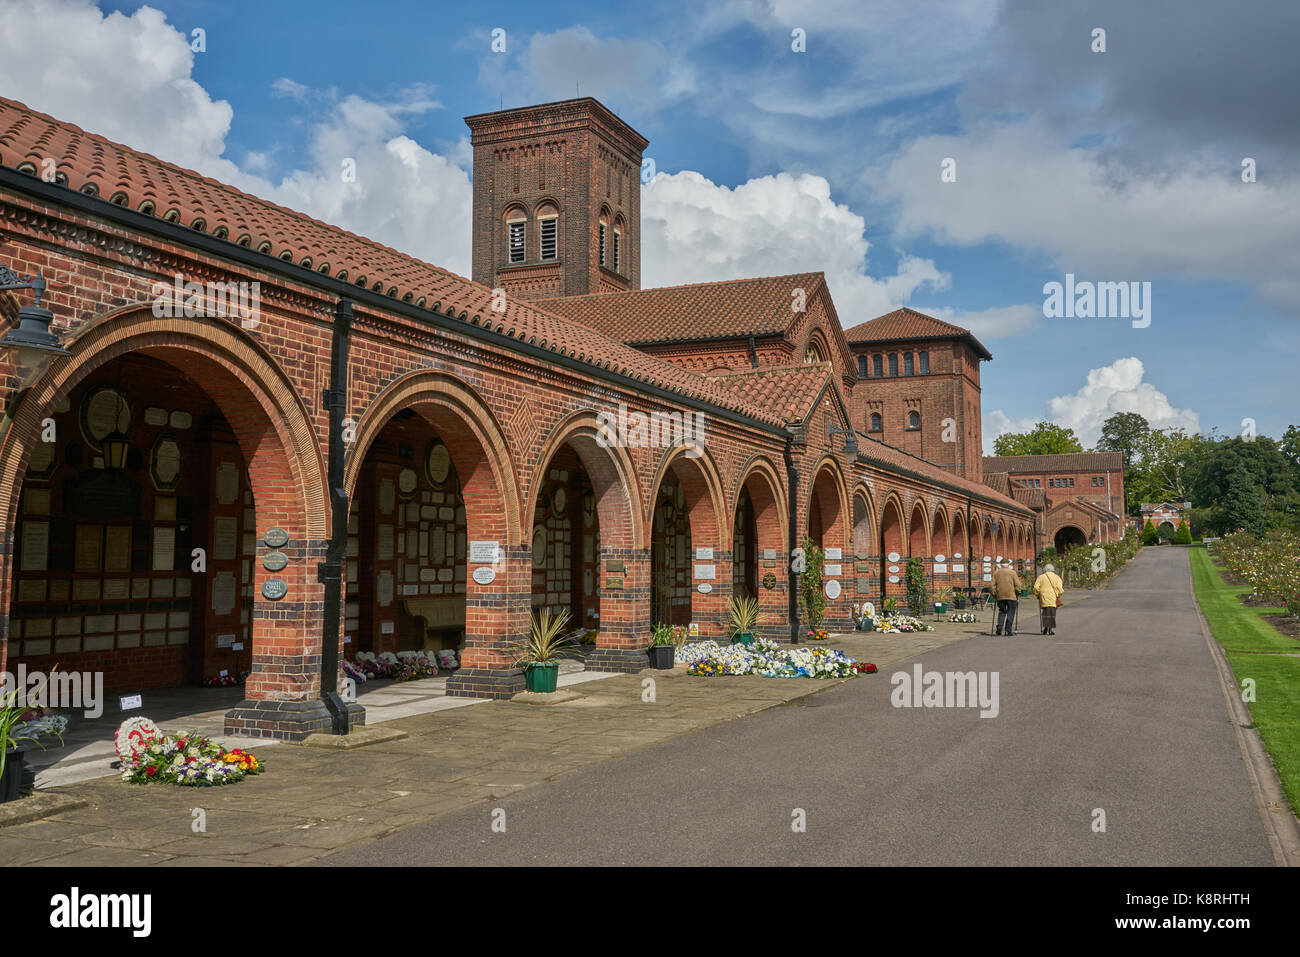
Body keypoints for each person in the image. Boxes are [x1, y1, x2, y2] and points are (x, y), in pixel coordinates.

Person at [1033, 563, 1065, 635]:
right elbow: (1060, 589)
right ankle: (1050, 629)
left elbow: (1035, 587)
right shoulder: (1057, 577)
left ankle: (1046, 628)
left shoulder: (1041, 577)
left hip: (1044, 597)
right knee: (1052, 613)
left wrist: (1037, 594)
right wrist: (1058, 595)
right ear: (1053, 570)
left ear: (1045, 570)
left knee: (1045, 613)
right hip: (1053, 598)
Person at [991, 560, 1020, 635]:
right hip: (1011, 596)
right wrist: (1017, 593)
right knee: (1011, 612)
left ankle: (999, 628)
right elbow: (1018, 585)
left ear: (1000, 565)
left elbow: (991, 586)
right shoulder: (1012, 573)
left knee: (1002, 611)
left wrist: (994, 594)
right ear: (1008, 564)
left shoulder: (996, 573)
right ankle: (1007, 630)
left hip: (1000, 596)